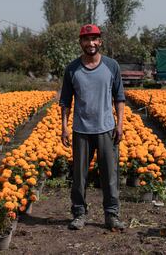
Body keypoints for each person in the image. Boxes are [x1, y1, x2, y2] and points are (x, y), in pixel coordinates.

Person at [59, 24, 126, 231]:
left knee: (110, 175)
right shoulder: (72, 69)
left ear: (100, 41)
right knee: (79, 176)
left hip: (106, 129)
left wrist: (120, 124)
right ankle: (79, 213)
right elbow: (65, 102)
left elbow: (120, 97)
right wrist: (64, 127)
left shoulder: (111, 66)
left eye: (94, 39)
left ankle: (112, 215)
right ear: (80, 43)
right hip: (81, 130)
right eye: (86, 39)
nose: (91, 43)